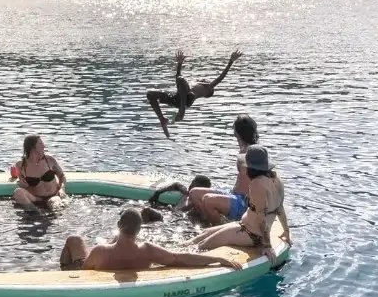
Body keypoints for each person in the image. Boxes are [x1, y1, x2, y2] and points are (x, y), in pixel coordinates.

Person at [191, 145, 291, 264]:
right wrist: (286, 231)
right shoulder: (277, 179)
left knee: (201, 246)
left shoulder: (257, 184)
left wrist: (267, 245)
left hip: (250, 233)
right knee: (203, 234)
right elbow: (279, 207)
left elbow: (261, 218)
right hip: (246, 227)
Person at [60, 208, 241, 272]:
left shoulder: (100, 251)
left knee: (74, 239)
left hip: (101, 262)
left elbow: (84, 271)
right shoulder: (146, 250)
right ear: (139, 230)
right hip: (131, 257)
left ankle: (60, 269)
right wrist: (217, 259)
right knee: (113, 240)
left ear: (118, 224)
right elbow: (180, 257)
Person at [147, 48, 243, 138]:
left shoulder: (207, 87)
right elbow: (178, 81)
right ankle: (162, 119)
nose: (204, 78)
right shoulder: (195, 83)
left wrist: (230, 61)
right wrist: (179, 64)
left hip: (188, 99)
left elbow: (220, 78)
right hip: (178, 99)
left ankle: (182, 110)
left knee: (180, 79)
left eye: (205, 79)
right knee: (150, 95)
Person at [185, 114, 260, 223]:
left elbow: (259, 177)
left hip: (242, 202)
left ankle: (218, 227)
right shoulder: (246, 150)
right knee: (194, 193)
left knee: (208, 200)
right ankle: (210, 219)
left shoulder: (251, 152)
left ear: (236, 132)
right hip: (233, 194)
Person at [11, 134, 67, 211]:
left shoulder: (50, 160)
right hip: (35, 198)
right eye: (40, 144)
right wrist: (24, 185)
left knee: (55, 203)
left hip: (53, 196)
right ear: (32, 147)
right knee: (18, 192)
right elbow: (20, 180)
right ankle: (35, 213)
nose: (44, 146)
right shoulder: (21, 165)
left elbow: (62, 176)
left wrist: (62, 189)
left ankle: (54, 218)